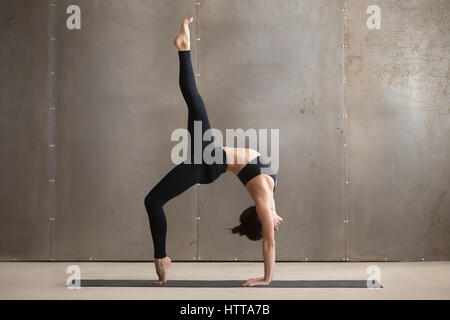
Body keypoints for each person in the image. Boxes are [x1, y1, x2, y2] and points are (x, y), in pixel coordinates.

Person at [144, 17, 283, 287]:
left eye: (270, 223)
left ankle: (161, 259)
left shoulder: (266, 201)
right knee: (193, 102)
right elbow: (271, 221)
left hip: (209, 160)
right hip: (210, 157)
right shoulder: (269, 195)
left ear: (261, 218)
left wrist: (266, 279)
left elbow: (269, 243)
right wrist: (273, 216)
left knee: (153, 201)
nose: (277, 224)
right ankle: (183, 47)